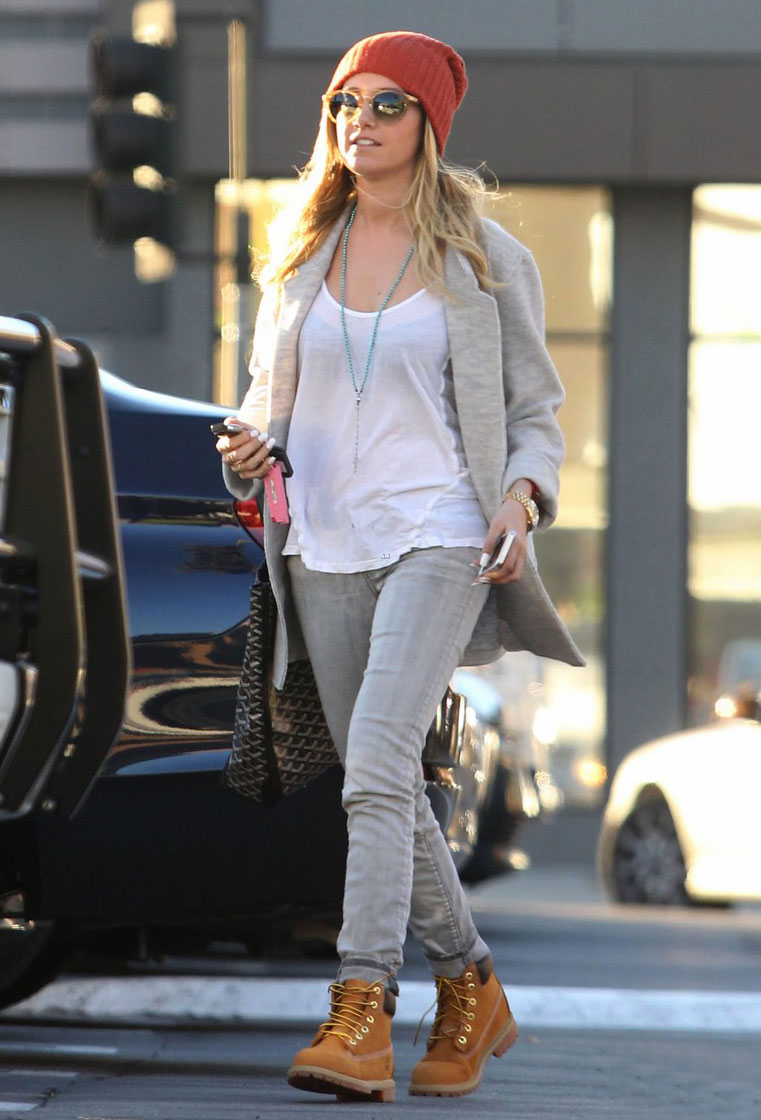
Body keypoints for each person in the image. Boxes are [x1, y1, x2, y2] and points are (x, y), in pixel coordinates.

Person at [216, 30, 583, 1103]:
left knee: (378, 761)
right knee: (379, 780)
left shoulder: (484, 258)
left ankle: (360, 1010)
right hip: (323, 541)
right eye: (346, 103)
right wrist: (246, 446)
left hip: (442, 531)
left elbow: (534, 411)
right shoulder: (300, 255)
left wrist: (521, 494)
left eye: (386, 105)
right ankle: (469, 983)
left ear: (428, 126)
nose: (359, 122)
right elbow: (263, 402)